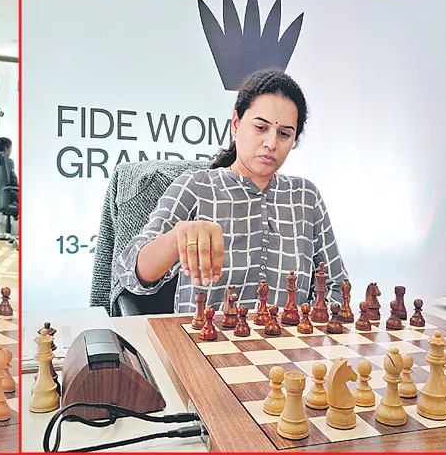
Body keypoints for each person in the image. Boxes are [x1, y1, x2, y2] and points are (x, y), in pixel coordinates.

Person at [116, 69, 348, 313]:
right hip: (206, 335)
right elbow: (130, 275)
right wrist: (177, 237)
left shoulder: (306, 197)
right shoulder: (196, 186)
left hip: (286, 336)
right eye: (261, 127)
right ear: (236, 124)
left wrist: (312, 324)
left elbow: (336, 285)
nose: (271, 143)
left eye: (284, 134)